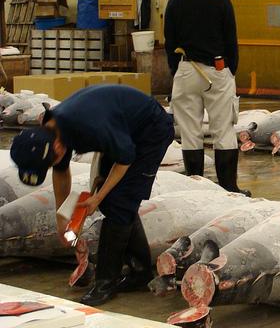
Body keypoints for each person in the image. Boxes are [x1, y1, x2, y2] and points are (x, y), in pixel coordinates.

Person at [9, 84, 174, 306]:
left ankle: (106, 282)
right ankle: (140, 271)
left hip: (150, 130)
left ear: (57, 147)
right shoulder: (52, 130)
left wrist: (98, 196)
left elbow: (125, 159)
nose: (52, 166)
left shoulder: (89, 126)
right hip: (120, 126)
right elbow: (61, 172)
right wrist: (62, 220)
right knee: (116, 203)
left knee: (119, 201)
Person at [164, 0, 250, 197]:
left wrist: (177, 70)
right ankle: (228, 189)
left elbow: (170, 43)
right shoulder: (221, 2)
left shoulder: (174, 3)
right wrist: (230, 70)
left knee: (190, 132)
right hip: (217, 69)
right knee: (223, 129)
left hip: (186, 68)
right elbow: (231, 42)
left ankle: (196, 190)